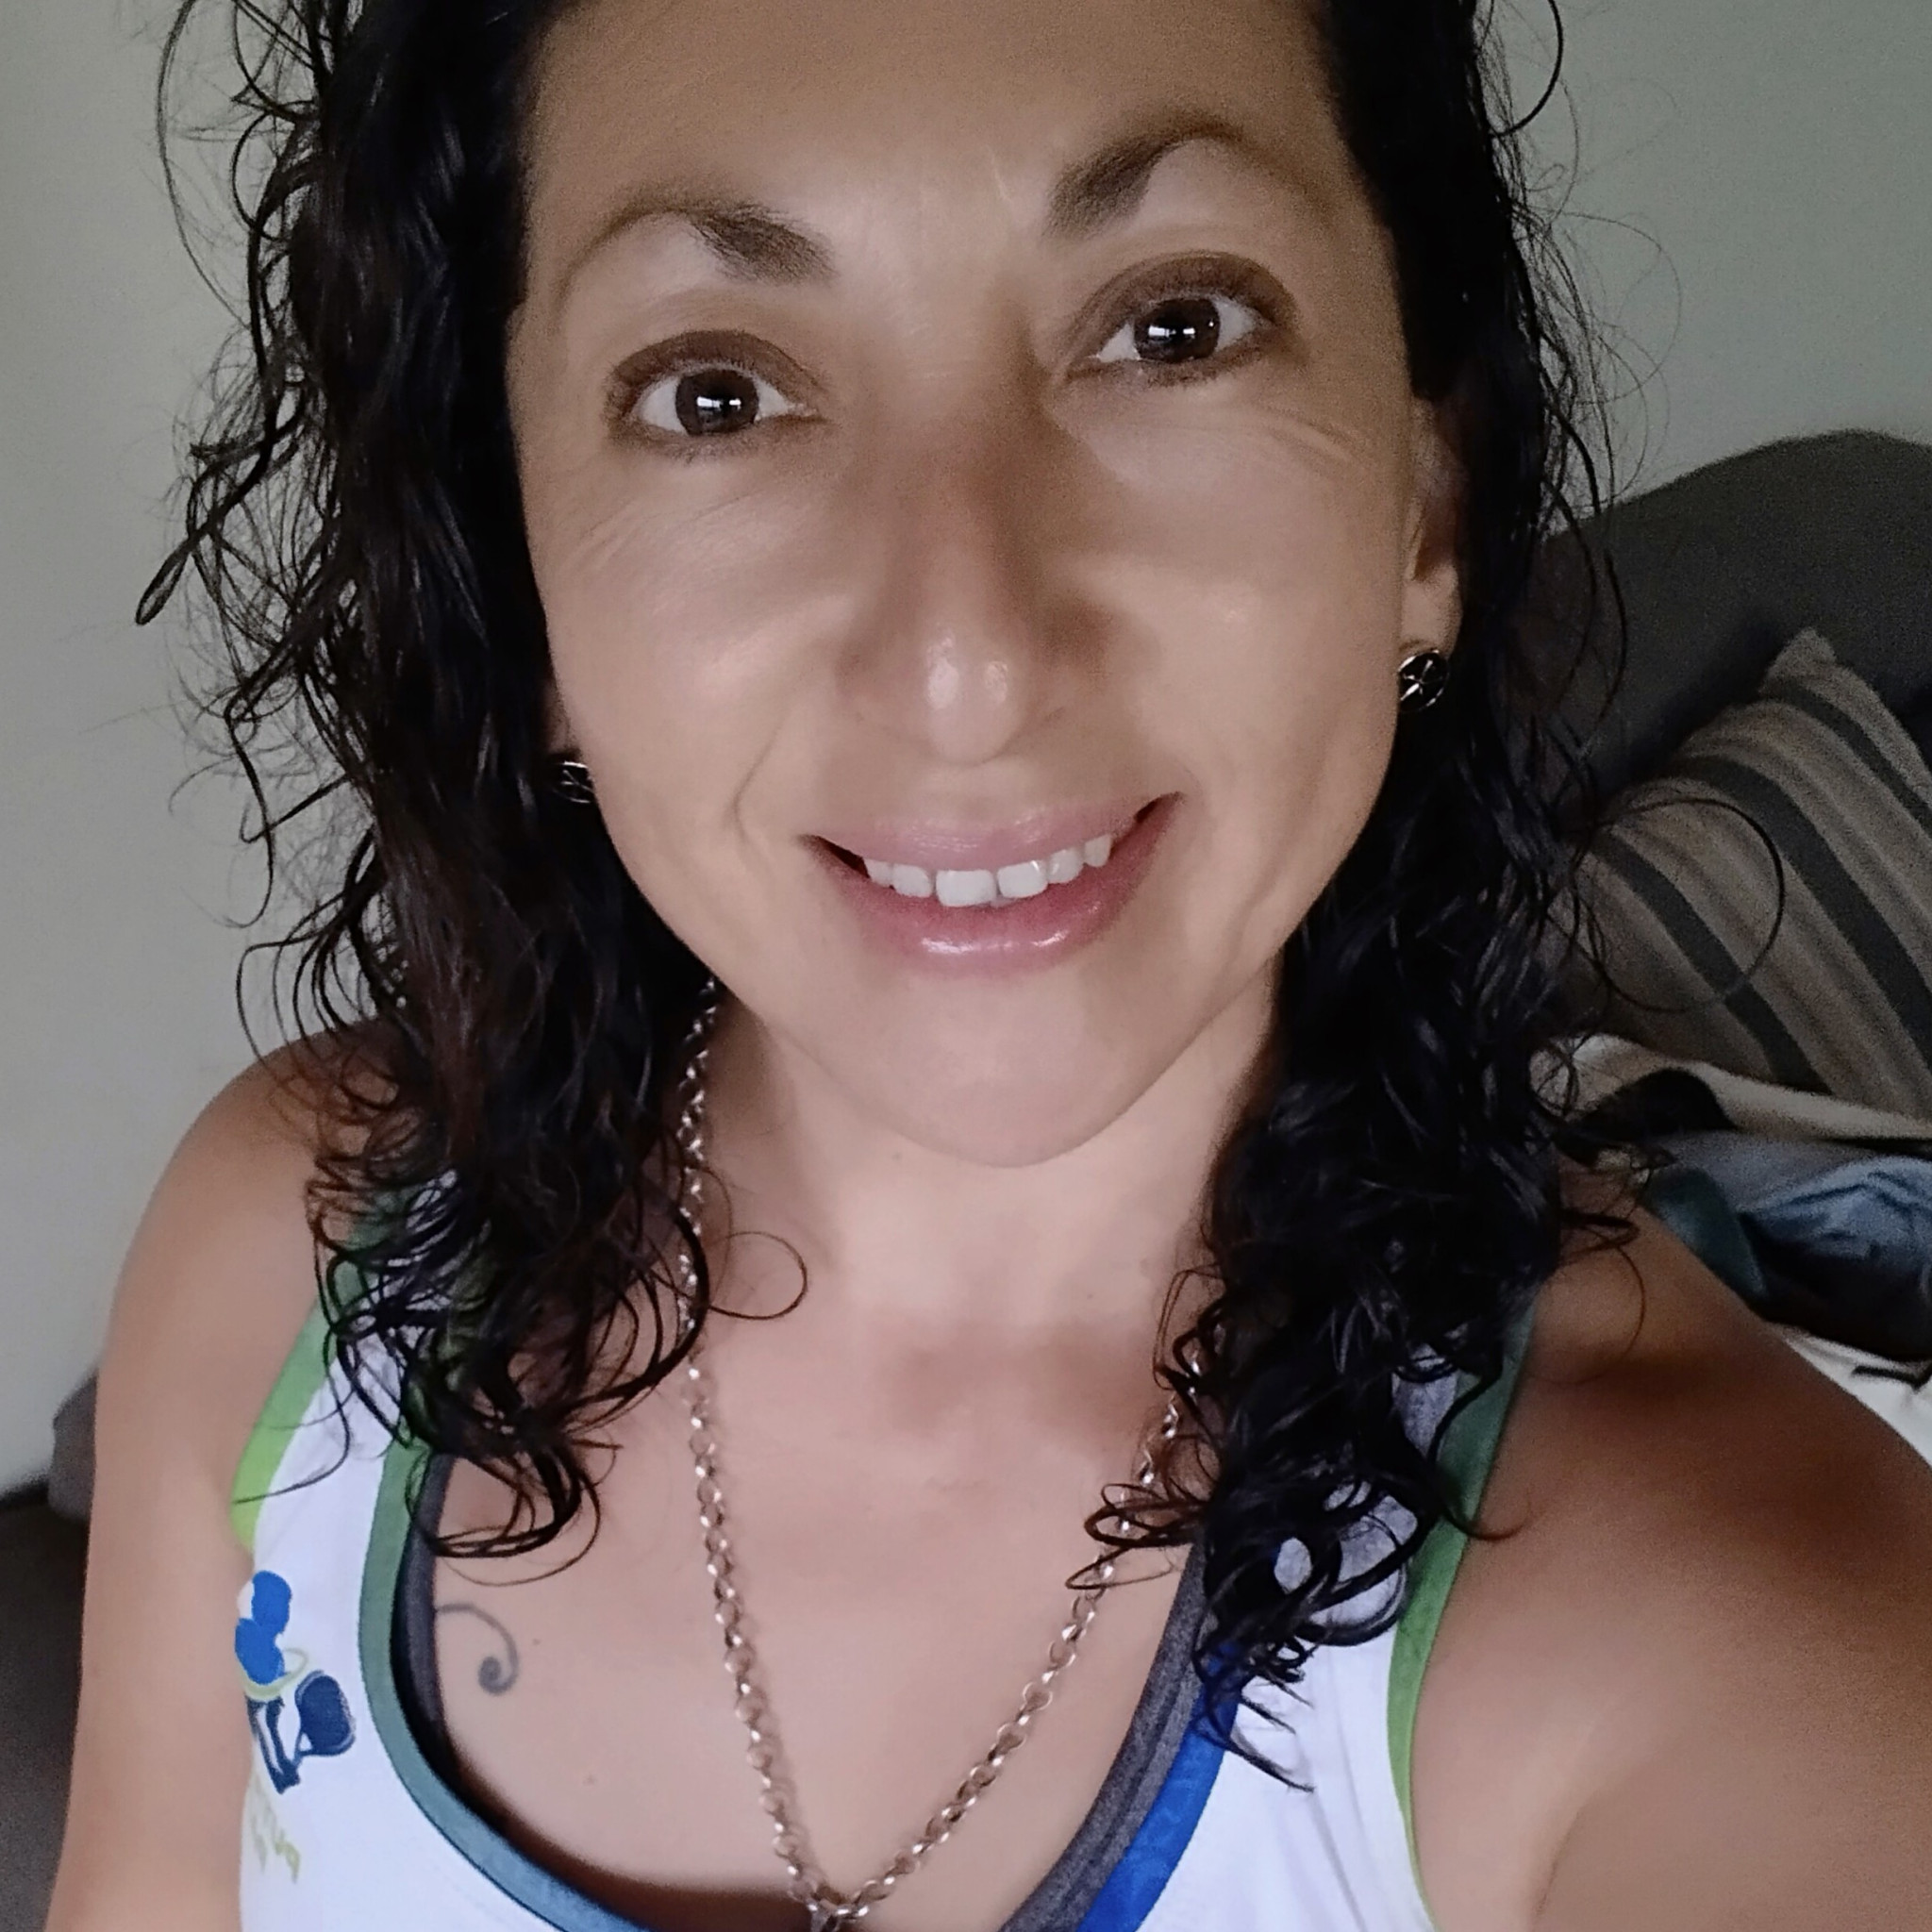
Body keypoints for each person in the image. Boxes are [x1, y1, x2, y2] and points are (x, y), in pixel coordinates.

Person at [48, 0, 1932, 1927]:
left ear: (1423, 505)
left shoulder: (1745, 1636)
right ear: (527, 588)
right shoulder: (289, 1255)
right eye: (717, 393)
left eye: (1171, 328)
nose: (969, 665)